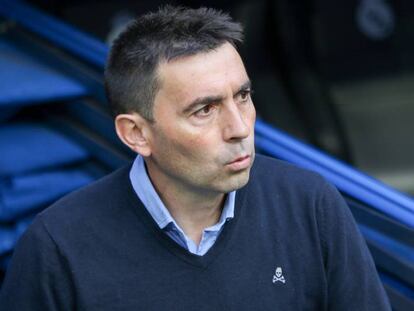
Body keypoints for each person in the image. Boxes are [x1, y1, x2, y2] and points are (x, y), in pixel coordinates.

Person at [0, 6, 391, 310]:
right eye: (205, 109)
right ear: (136, 133)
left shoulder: (310, 204)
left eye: (242, 96)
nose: (239, 127)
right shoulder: (58, 248)